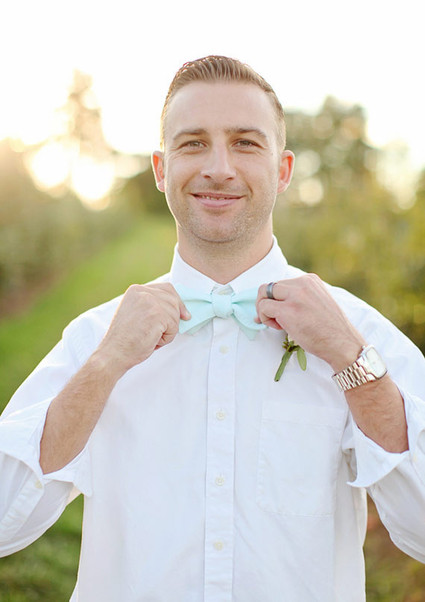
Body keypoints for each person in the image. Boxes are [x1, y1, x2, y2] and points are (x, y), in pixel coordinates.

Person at [0, 55, 424, 602]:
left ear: (283, 170)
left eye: (245, 143)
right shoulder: (97, 337)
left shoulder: (357, 333)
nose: (218, 168)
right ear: (161, 169)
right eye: (193, 143)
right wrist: (104, 366)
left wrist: (351, 361)